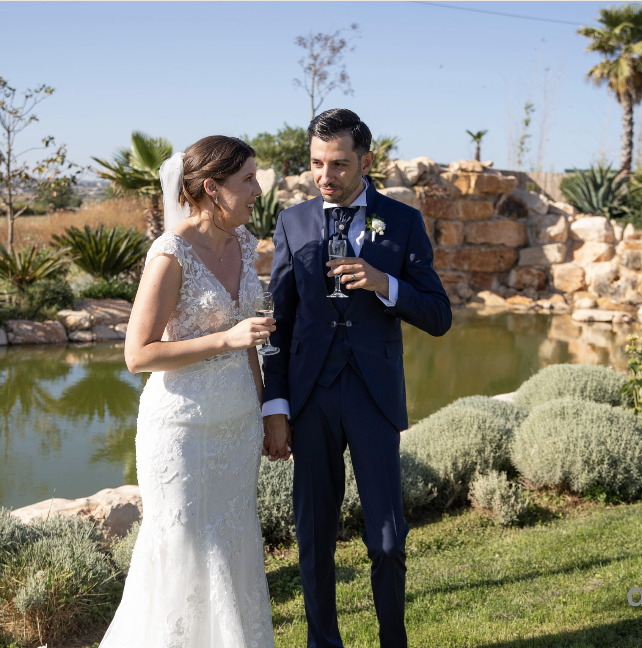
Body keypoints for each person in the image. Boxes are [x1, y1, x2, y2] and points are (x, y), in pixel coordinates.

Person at [262, 109, 452, 648]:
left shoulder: (402, 220)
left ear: (367, 161)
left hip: (373, 397)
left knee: (388, 540)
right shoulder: (291, 222)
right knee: (315, 537)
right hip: (311, 396)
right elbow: (280, 319)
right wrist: (275, 402)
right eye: (318, 163)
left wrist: (383, 283)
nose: (326, 175)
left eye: (340, 164)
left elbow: (438, 314)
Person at [99, 136, 276, 648]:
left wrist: (266, 413)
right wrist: (225, 337)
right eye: (247, 180)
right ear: (211, 188)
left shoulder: (246, 244)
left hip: (237, 426)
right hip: (182, 434)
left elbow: (252, 342)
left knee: (233, 547)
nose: (257, 190)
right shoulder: (170, 253)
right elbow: (138, 355)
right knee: (183, 552)